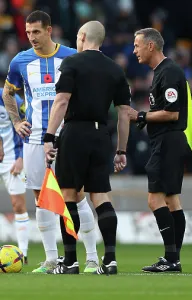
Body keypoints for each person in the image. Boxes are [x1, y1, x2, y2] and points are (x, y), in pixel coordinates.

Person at [3, 10, 99, 273]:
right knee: (41, 197)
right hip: (34, 139)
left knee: (76, 195)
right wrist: (15, 121)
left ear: (49, 30)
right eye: (28, 32)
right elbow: (8, 93)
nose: (31, 37)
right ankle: (51, 259)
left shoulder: (71, 56)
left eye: (36, 31)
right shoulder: (20, 61)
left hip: (66, 136)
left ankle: (91, 257)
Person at [44, 20, 131, 275]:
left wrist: (50, 136)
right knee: (100, 196)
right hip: (101, 135)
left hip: (75, 133)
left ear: (82, 36)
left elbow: (61, 101)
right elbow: (124, 113)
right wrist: (122, 151)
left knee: (69, 195)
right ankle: (111, 260)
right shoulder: (115, 69)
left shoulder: (71, 63)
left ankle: (70, 262)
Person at [129, 28, 190, 272]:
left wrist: (141, 115)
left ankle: (171, 258)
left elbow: (172, 113)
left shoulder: (169, 72)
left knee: (155, 199)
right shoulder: (161, 73)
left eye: (137, 45)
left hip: (167, 142)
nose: (134, 51)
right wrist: (147, 119)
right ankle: (172, 259)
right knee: (172, 200)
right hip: (167, 141)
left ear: (151, 46)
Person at [0, 88, 30, 263]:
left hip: (12, 159)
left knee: (18, 205)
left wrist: (22, 157)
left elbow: (28, 124)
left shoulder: (12, 99)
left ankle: (23, 254)